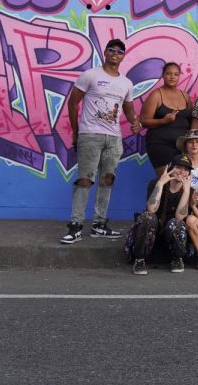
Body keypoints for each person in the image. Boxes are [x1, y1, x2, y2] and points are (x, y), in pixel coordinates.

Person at [62, 38, 142, 244]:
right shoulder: (90, 75)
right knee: (85, 180)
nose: (115, 54)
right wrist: (76, 132)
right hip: (90, 135)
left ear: (123, 56)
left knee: (107, 180)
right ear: (105, 53)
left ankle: (99, 225)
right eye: (111, 50)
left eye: (119, 51)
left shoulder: (126, 83)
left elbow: (128, 107)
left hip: (114, 138)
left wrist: (134, 121)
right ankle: (75, 226)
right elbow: (72, 103)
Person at [124, 154, 192, 275]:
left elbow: (180, 217)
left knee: (176, 223)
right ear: (170, 168)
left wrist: (186, 191)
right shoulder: (155, 183)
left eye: (186, 169)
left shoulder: (189, 190)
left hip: (170, 235)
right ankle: (139, 260)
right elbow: (151, 209)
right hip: (152, 233)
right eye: (178, 167)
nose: (182, 172)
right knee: (147, 216)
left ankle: (177, 259)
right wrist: (160, 183)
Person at [140, 62, 192, 177]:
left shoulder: (185, 96)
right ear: (163, 75)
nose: (172, 77)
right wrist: (163, 121)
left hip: (181, 146)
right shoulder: (156, 95)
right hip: (160, 144)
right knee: (168, 179)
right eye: (168, 73)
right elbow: (143, 121)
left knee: (181, 180)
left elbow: (191, 119)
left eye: (176, 74)